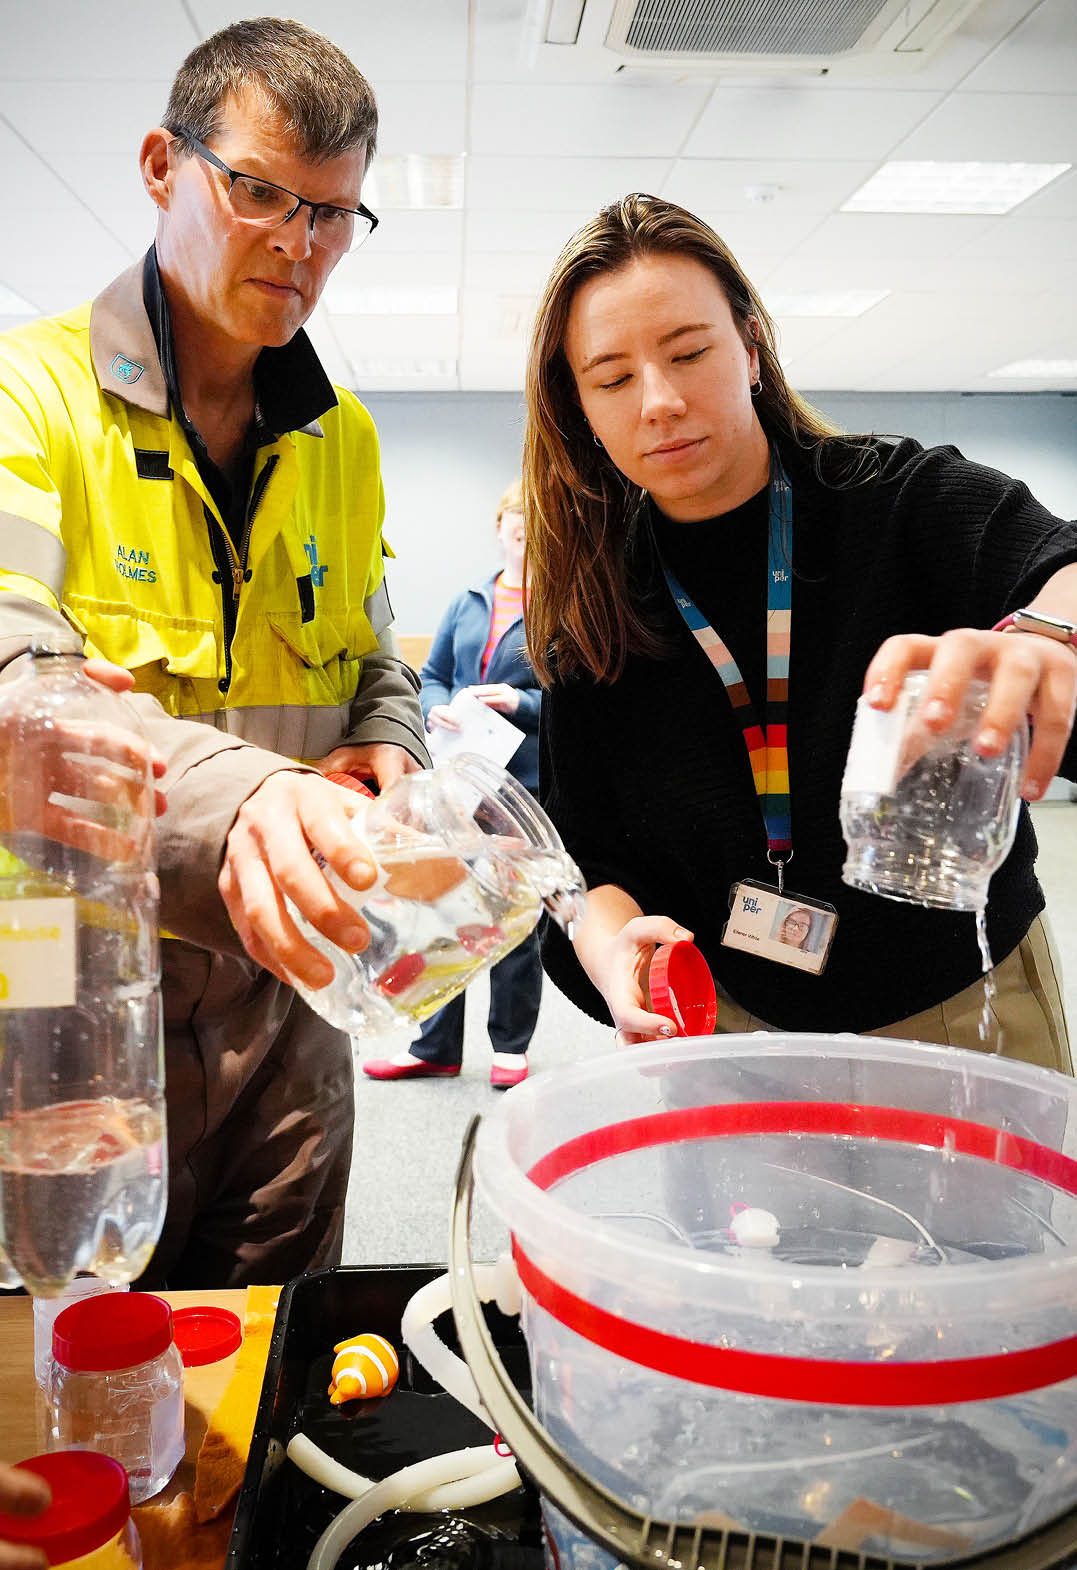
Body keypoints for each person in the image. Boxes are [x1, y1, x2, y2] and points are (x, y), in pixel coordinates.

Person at [0, 17, 430, 1287]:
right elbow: (20, 683)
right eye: (259, 192)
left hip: (288, 1013)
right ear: (160, 165)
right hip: (71, 1003)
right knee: (76, 1391)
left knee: (274, 1370)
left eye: (335, 215)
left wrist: (388, 746)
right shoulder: (33, 394)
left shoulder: (340, 437)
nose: (298, 245)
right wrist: (248, 803)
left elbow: (374, 659)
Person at [523, 193, 1077, 1072]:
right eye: (613, 378)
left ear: (750, 347)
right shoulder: (593, 615)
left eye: (688, 353)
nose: (659, 402)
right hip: (732, 1029)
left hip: (962, 1009)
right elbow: (585, 856)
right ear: (578, 407)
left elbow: (1057, 561)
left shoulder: (895, 500)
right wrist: (610, 947)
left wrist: (1050, 635)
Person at [364, 480, 544, 1088]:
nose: (520, 530)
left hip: (520, 787)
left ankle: (510, 1047)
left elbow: (576, 703)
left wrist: (520, 701)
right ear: (499, 530)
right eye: (512, 522)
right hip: (455, 789)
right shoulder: (468, 600)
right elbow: (433, 673)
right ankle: (434, 1045)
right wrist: (436, 707)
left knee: (513, 920)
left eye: (531, 523)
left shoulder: (562, 605)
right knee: (442, 913)